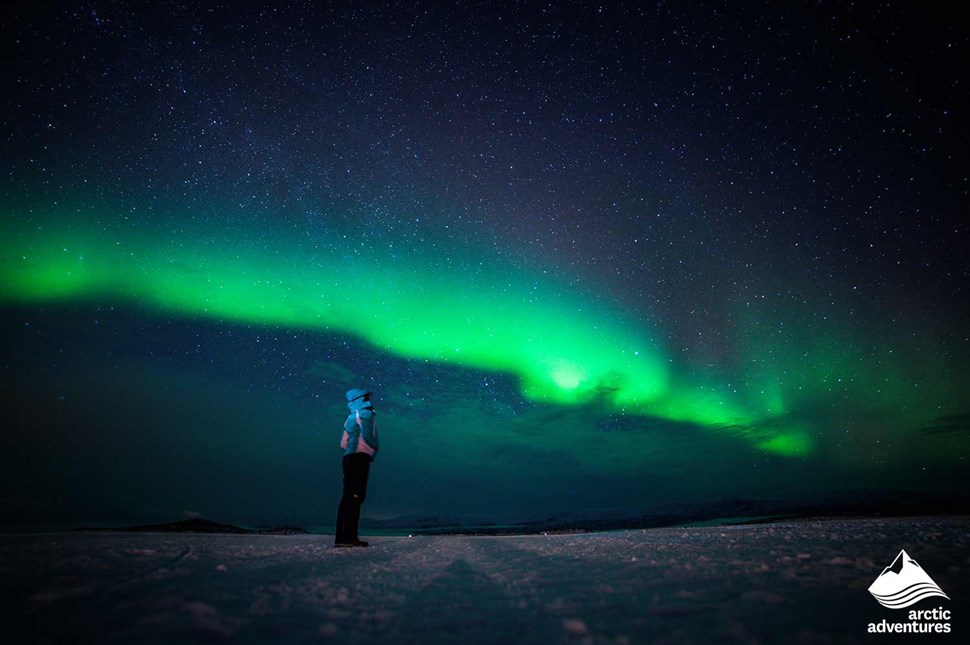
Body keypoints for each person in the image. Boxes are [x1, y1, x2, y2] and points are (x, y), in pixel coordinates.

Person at [334, 388, 379, 547]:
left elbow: (342, 443)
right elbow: (368, 436)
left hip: (348, 457)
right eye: (367, 397)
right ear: (361, 399)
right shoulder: (366, 414)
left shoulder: (350, 418)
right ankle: (349, 538)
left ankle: (341, 538)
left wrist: (352, 446)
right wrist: (375, 448)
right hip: (360, 457)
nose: (369, 399)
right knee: (356, 496)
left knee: (347, 497)